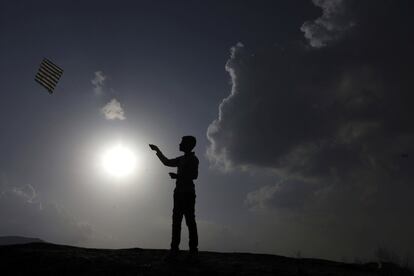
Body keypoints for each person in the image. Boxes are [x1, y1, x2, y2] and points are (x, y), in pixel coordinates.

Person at [149, 136, 199, 259]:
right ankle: (174, 249)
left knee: (189, 221)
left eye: (182, 142)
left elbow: (194, 175)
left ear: (188, 145)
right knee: (176, 221)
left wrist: (178, 177)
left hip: (187, 193)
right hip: (178, 193)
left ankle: (193, 250)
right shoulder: (181, 159)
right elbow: (167, 162)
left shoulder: (193, 159)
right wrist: (157, 151)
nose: (179, 144)